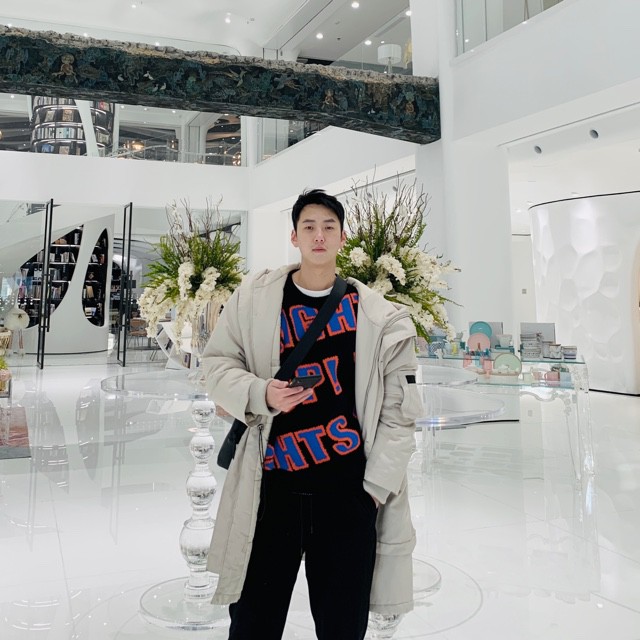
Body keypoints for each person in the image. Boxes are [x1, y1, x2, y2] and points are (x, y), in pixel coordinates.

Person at [202, 189, 423, 640]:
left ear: (342, 238)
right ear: (294, 237)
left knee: (342, 627)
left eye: (328, 227)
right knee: (253, 624)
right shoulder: (255, 299)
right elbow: (216, 364)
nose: (318, 236)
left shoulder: (380, 317)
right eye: (309, 227)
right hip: (271, 489)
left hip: (347, 493)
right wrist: (260, 392)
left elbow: (400, 413)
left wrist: (374, 490)